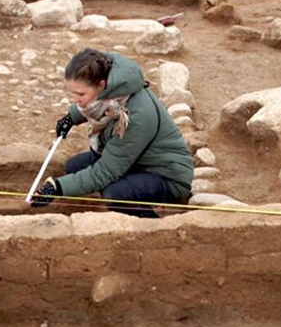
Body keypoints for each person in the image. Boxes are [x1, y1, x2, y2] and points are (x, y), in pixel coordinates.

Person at [32, 49, 194, 217]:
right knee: (74, 166)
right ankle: (127, 186)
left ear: (101, 85)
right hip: (137, 160)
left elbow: (105, 172)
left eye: (80, 94)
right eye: (73, 93)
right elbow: (95, 105)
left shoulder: (134, 116)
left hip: (165, 174)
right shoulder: (113, 89)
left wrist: (58, 188)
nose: (75, 99)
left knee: (116, 194)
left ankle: (152, 225)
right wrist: (71, 117)